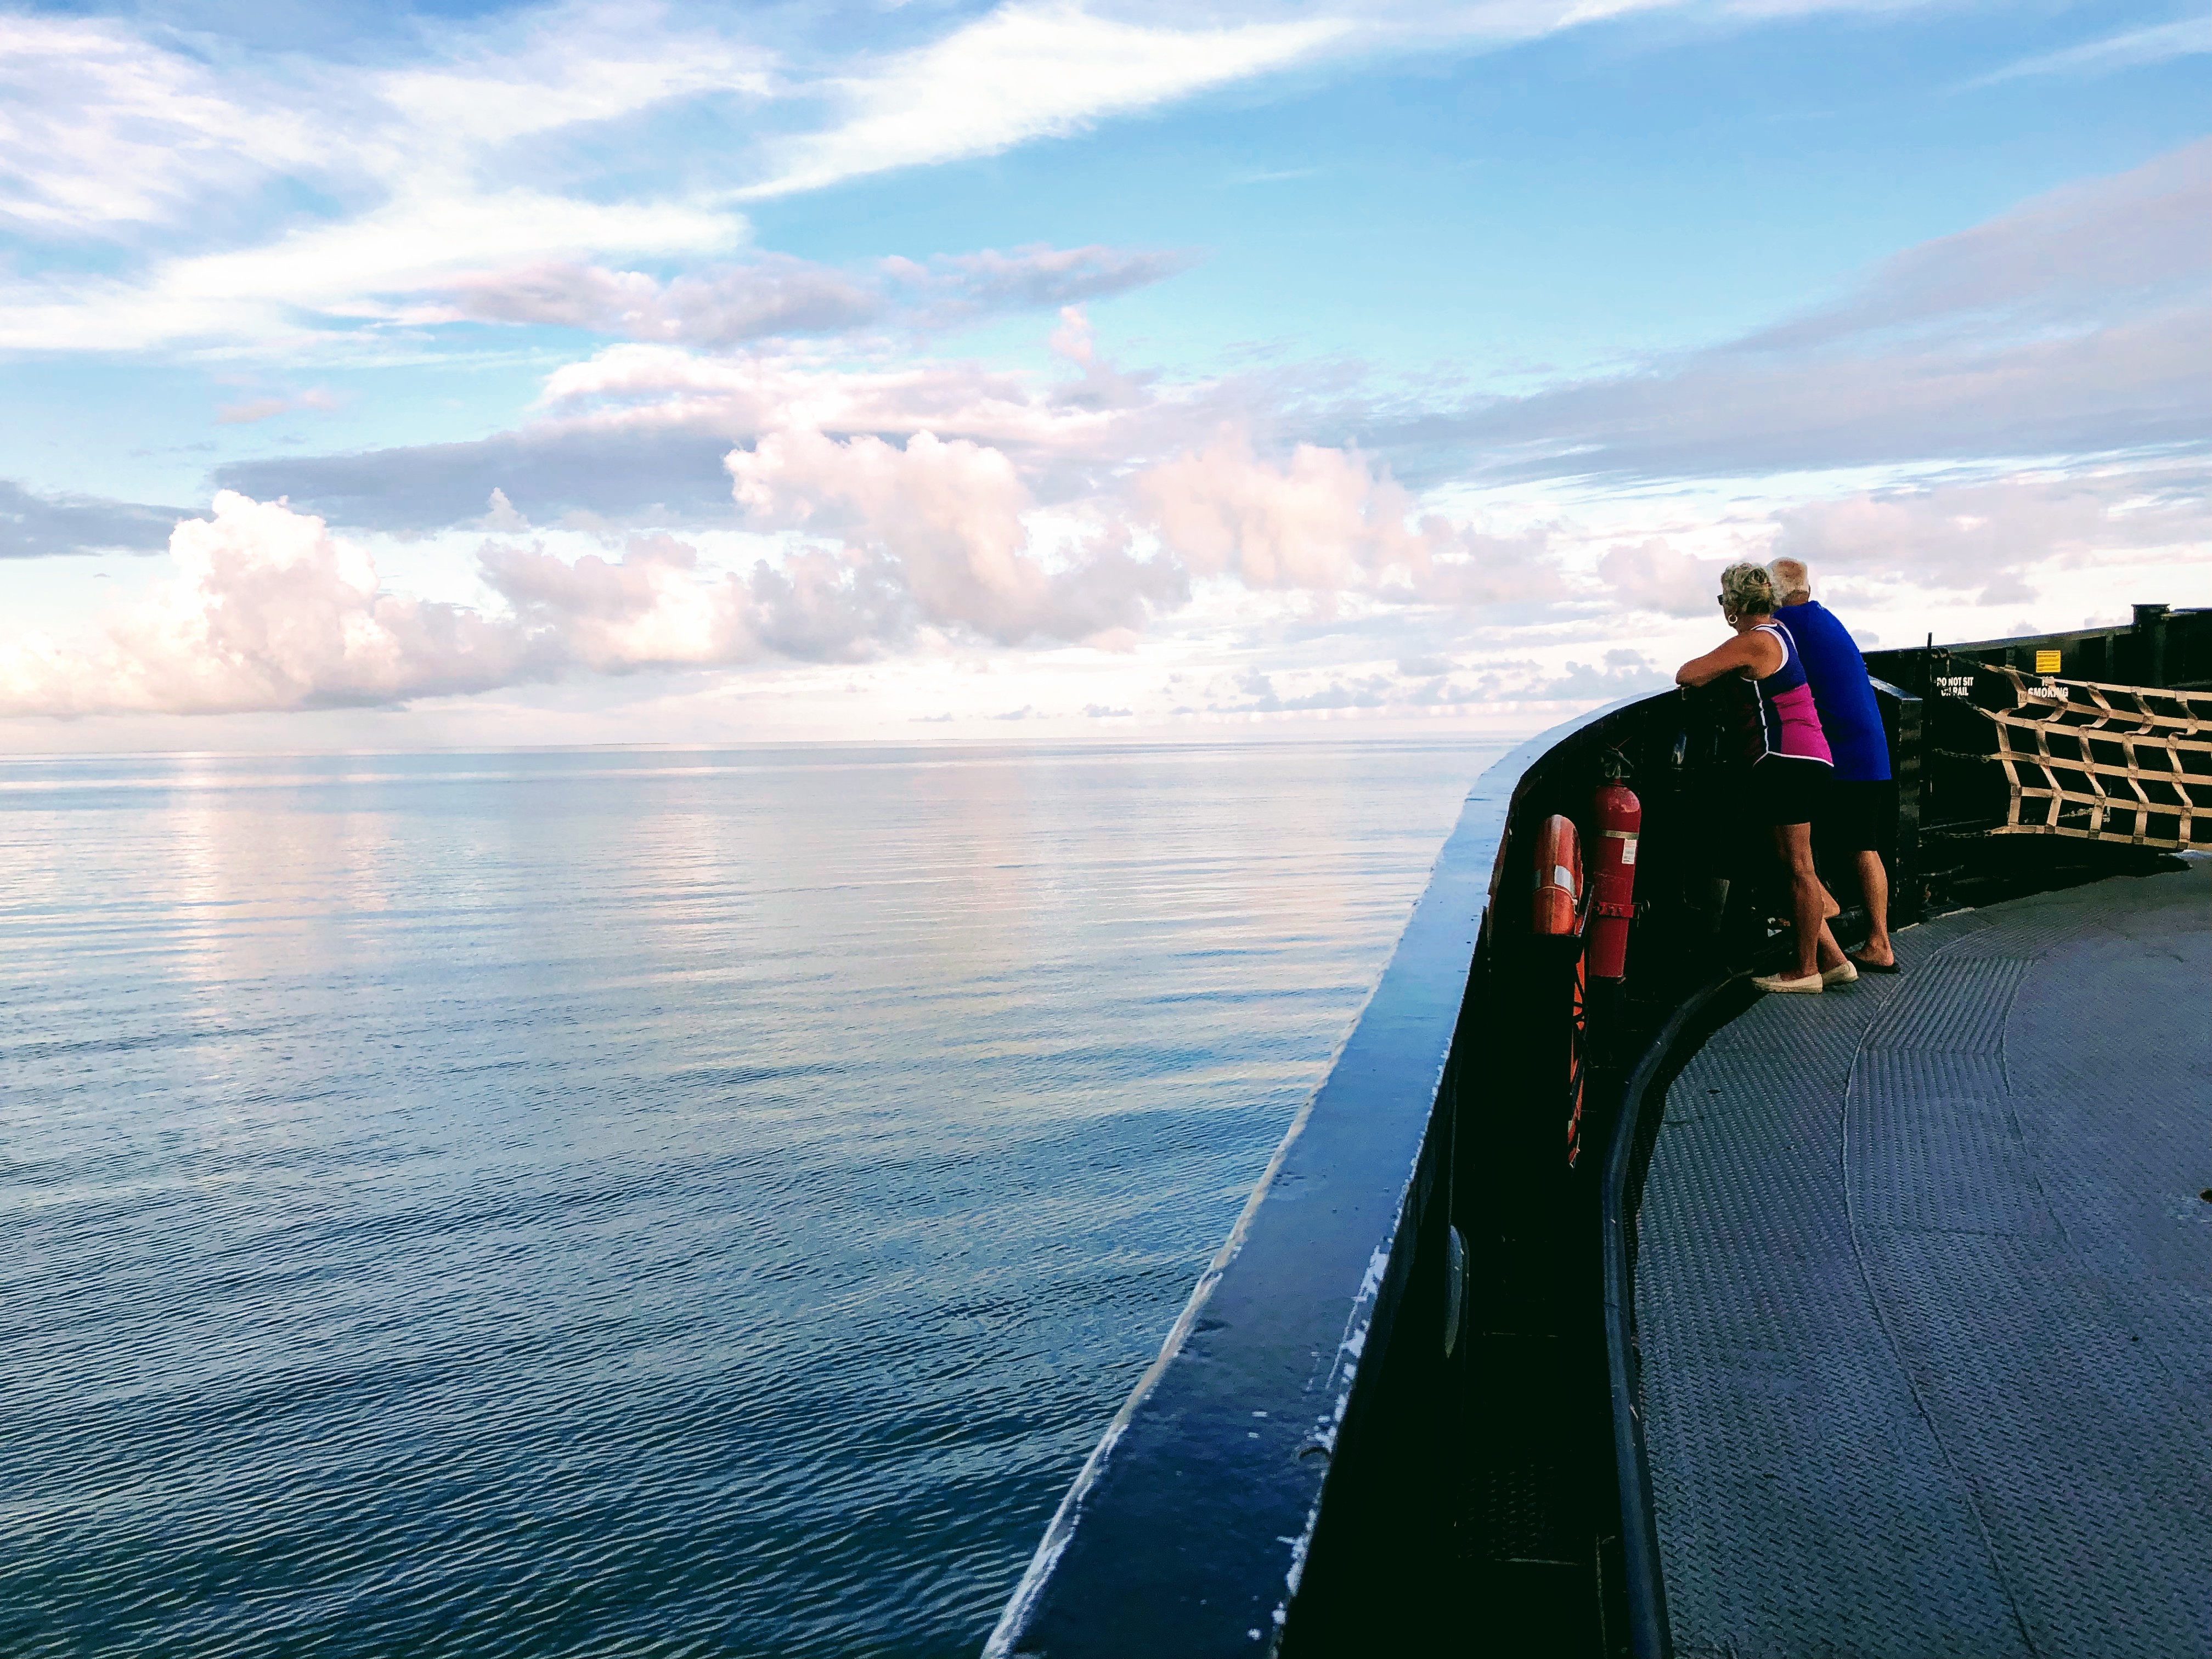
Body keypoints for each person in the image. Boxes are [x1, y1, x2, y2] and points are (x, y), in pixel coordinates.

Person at [1675, 562, 1852, 994]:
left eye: (1724, 602)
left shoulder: (1753, 642)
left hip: (1785, 760)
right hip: (1809, 758)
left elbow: (1689, 673)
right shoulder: (1780, 633)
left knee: (1797, 869)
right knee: (1789, 868)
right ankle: (1834, 960)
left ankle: (1805, 969)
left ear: (1735, 605)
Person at [1768, 558, 1898, 973]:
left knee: (1793, 852)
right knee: (1864, 847)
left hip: (1842, 754)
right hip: (1869, 751)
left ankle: (1821, 924)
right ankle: (1878, 941)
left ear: (1775, 593)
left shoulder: (1788, 624)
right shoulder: (1822, 618)